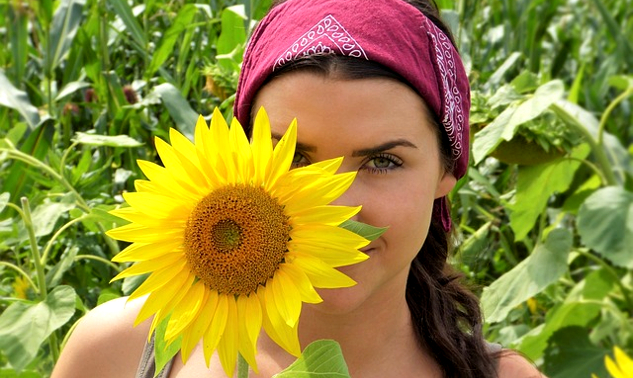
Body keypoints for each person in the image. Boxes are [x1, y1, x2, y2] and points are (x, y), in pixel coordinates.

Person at [52, 0, 545, 377]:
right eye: (292, 156)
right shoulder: (115, 351)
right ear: (241, 156)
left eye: (382, 161)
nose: (330, 206)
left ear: (447, 170)